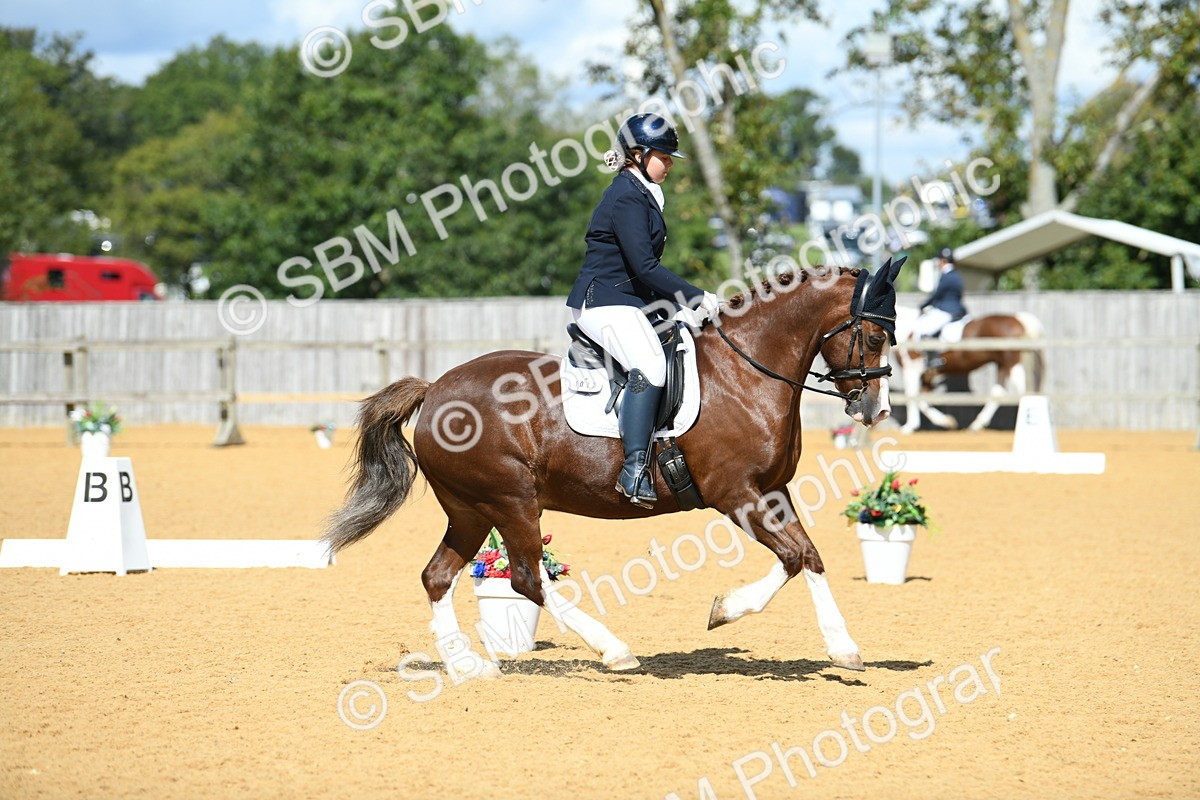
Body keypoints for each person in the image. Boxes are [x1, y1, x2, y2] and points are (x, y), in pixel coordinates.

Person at [566, 112, 720, 508]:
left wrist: (675, 305)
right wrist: (694, 296)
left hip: (628, 300)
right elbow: (644, 266)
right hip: (602, 302)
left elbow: (642, 275)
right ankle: (634, 470)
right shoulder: (627, 196)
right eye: (664, 157)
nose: (669, 164)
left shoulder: (642, 193)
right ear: (637, 155)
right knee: (650, 365)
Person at [912, 247, 966, 366]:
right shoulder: (955, 274)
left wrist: (924, 305)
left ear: (943, 261)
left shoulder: (947, 276)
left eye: (939, 261)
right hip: (954, 309)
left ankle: (934, 359)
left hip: (947, 310)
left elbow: (936, 295)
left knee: (925, 330)